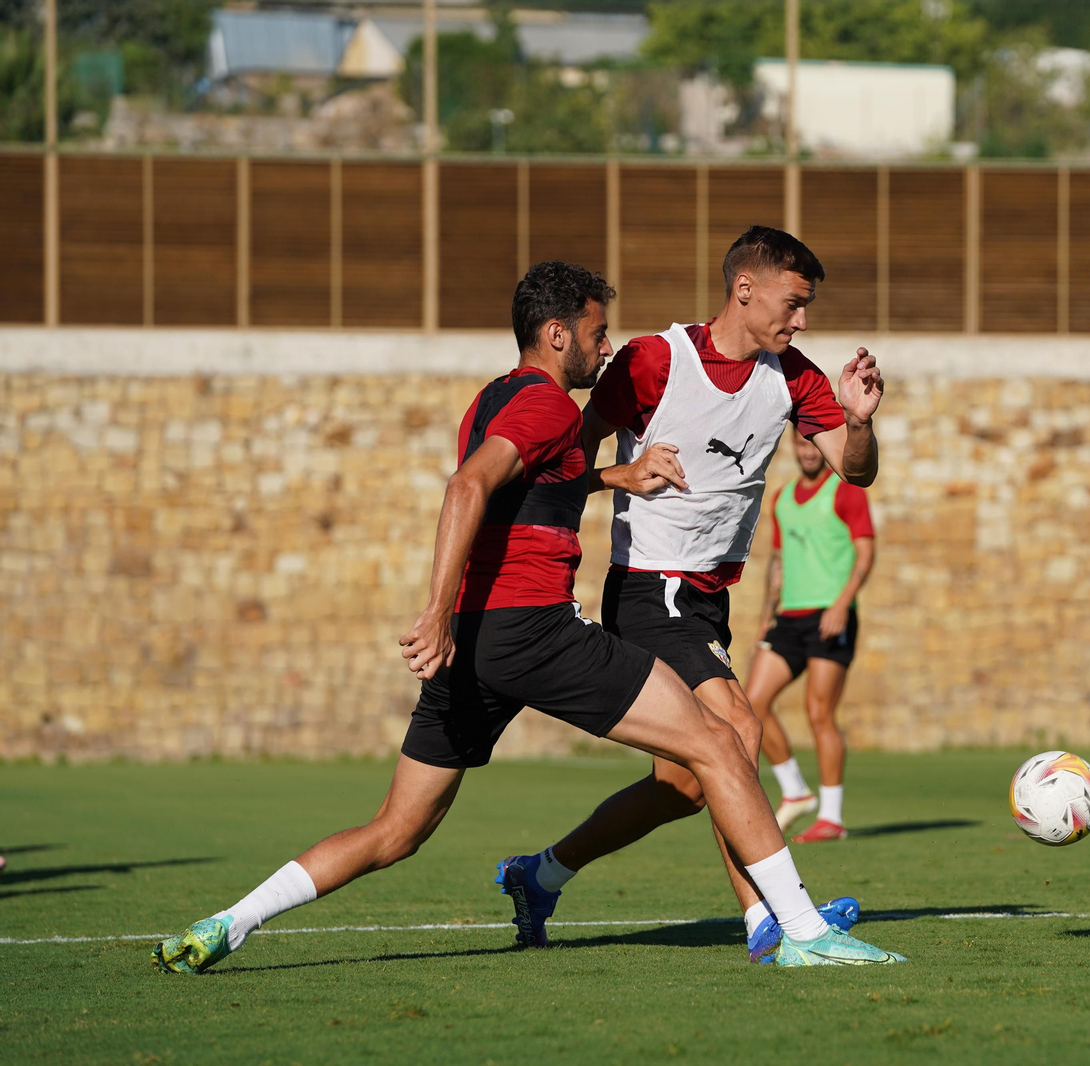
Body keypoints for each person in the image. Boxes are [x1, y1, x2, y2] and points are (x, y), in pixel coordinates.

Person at [152, 261, 902, 972]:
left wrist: (616, 475)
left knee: (394, 831)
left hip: (476, 644)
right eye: (597, 333)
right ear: (557, 334)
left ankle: (228, 922)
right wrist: (434, 612)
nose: (605, 347)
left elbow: (532, 486)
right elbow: (466, 490)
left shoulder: (495, 398)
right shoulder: (548, 402)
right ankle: (798, 931)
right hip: (532, 629)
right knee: (720, 741)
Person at [498, 226, 888, 964]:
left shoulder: (795, 377)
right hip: (652, 589)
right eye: (794, 302)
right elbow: (559, 463)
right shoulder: (652, 361)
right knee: (737, 733)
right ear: (745, 289)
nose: (801, 320)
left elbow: (856, 472)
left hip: (707, 602)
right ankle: (773, 920)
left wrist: (860, 422)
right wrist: (620, 474)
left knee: (683, 784)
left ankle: (538, 874)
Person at [746, 430, 876, 842]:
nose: (807, 451)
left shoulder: (846, 490)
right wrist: (767, 616)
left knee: (819, 712)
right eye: (800, 444)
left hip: (830, 616)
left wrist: (842, 604)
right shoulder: (781, 498)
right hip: (789, 618)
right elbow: (779, 561)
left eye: (812, 444)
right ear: (792, 446)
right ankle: (795, 791)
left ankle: (832, 817)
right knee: (752, 704)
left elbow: (866, 551)